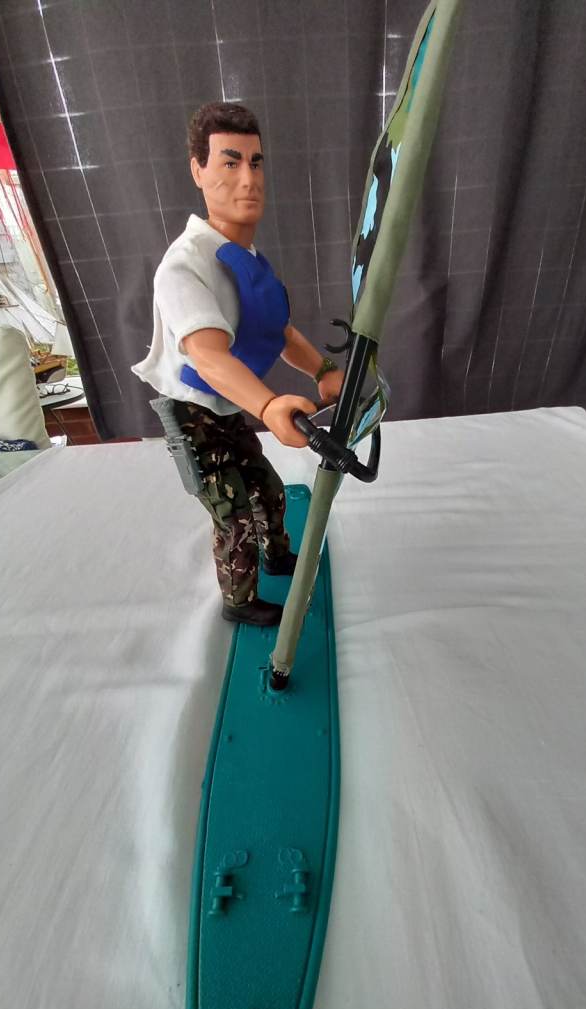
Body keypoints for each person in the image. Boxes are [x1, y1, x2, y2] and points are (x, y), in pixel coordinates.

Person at [132, 102, 343, 627]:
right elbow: (207, 356)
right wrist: (268, 406)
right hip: (193, 415)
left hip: (229, 407)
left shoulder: (247, 260)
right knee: (233, 514)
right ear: (198, 170)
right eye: (229, 162)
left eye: (255, 162)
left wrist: (322, 372)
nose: (248, 179)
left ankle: (278, 557)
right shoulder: (183, 267)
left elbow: (279, 331)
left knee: (268, 489)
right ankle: (239, 601)